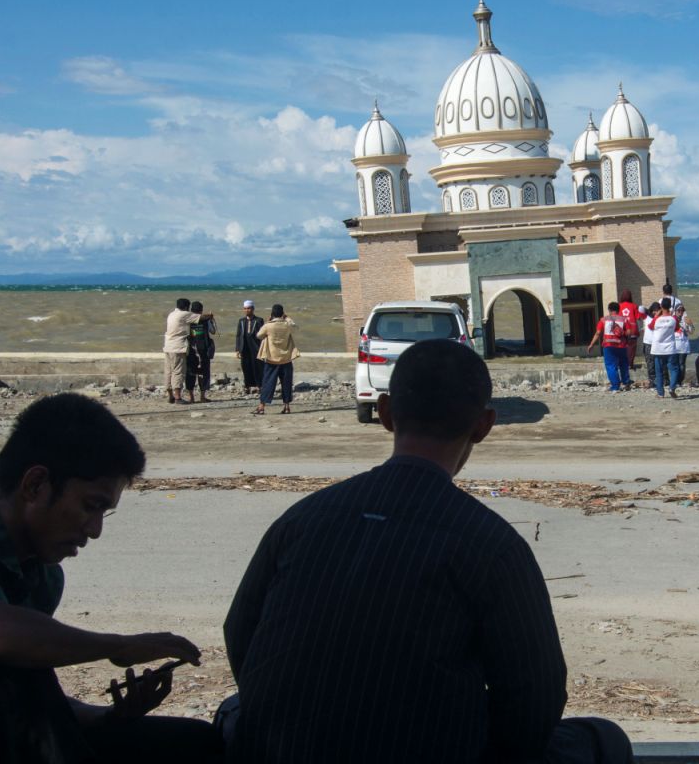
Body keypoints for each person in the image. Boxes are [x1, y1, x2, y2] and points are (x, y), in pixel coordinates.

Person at [222, 339, 633, 764]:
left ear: (384, 413)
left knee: (233, 710)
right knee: (605, 739)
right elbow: (536, 693)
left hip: (277, 746)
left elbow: (240, 631)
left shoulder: (302, 519)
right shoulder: (490, 546)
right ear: (484, 426)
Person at [0, 393, 222, 763]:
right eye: (92, 506)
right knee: (7, 647)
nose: (95, 529)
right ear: (36, 485)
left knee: (195, 742)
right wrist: (115, 646)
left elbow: (27, 704)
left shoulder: (42, 577)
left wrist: (109, 716)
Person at [163, 298, 213, 405]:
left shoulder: (171, 314)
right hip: (177, 347)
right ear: (186, 307)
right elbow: (202, 317)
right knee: (178, 372)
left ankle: (170, 396)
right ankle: (177, 397)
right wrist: (210, 316)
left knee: (169, 371)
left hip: (167, 346)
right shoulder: (185, 314)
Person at [254, 303, 299, 415]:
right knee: (287, 383)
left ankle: (262, 407)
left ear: (272, 314)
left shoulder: (268, 326)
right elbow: (295, 327)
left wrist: (267, 322)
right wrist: (287, 317)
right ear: (282, 314)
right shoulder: (287, 325)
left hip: (271, 359)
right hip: (286, 358)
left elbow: (259, 335)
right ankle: (287, 406)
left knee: (267, 383)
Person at [586, 301, 632, 392]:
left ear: (609, 310)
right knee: (623, 364)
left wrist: (591, 344)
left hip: (608, 346)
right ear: (618, 310)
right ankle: (626, 383)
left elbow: (598, 333)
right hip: (621, 346)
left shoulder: (603, 320)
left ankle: (615, 386)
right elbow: (629, 332)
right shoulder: (624, 319)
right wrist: (624, 334)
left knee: (611, 366)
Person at [184, 300, 217, 404]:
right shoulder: (206, 320)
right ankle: (202, 397)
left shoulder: (188, 320)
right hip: (204, 350)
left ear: (191, 310)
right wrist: (211, 318)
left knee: (190, 373)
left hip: (191, 350)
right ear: (201, 310)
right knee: (204, 373)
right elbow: (213, 331)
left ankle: (191, 397)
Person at [648, 297, 680, 398]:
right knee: (674, 369)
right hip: (670, 348)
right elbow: (677, 328)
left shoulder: (657, 319)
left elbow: (650, 327)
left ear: (661, 306)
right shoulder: (673, 318)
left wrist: (656, 315)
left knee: (659, 371)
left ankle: (660, 393)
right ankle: (672, 387)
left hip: (658, 349)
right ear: (670, 306)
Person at [234, 300, 264, 396]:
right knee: (245, 367)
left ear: (253, 309)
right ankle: (247, 387)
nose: (247, 310)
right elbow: (238, 335)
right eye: (245, 308)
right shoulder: (241, 321)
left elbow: (263, 335)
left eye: (249, 308)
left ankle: (259, 386)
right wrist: (237, 349)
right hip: (244, 348)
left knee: (258, 367)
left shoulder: (259, 320)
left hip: (256, 347)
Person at [671, 304, 692, 390]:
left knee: (682, 364)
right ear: (675, 311)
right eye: (678, 311)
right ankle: (674, 381)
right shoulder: (671, 320)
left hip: (683, 346)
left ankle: (680, 381)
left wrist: (690, 325)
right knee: (674, 364)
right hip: (674, 346)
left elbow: (692, 331)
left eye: (682, 310)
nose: (680, 312)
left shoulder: (686, 320)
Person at [618, 289, 641, 368]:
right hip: (632, 330)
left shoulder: (619, 306)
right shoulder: (634, 306)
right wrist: (639, 330)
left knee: (622, 347)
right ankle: (630, 364)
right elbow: (638, 319)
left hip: (623, 330)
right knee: (632, 348)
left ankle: (623, 363)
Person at [642, 302, 661, 388]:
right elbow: (640, 308)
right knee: (650, 363)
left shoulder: (661, 318)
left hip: (657, 343)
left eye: (657, 310)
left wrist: (659, 314)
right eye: (654, 311)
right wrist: (648, 311)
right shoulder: (647, 317)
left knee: (659, 363)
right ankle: (652, 381)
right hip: (648, 343)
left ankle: (662, 380)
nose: (655, 312)